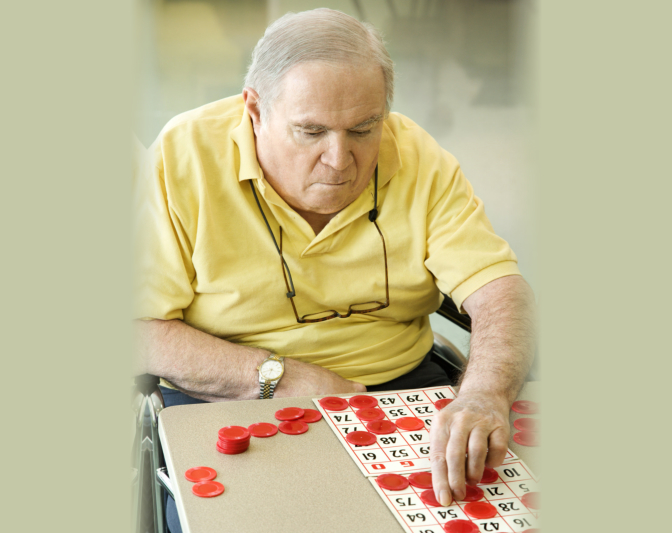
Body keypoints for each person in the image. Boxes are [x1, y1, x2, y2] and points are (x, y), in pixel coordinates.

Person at [135, 8, 536, 531]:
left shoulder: (418, 155)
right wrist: (276, 378)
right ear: (254, 110)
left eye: (363, 129)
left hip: (400, 386)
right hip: (230, 394)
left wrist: (483, 393)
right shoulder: (182, 155)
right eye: (311, 131)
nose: (339, 159)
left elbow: (500, 288)